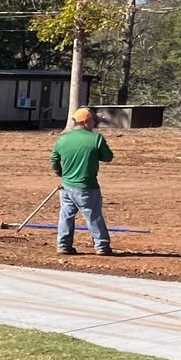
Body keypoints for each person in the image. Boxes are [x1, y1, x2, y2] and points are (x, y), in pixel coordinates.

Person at [50, 106, 115, 257]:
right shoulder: (96, 138)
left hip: (67, 186)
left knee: (66, 215)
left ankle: (63, 246)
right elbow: (108, 157)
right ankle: (102, 246)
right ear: (86, 121)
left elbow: (54, 159)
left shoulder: (63, 139)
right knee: (93, 215)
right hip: (87, 187)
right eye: (93, 120)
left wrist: (61, 174)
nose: (94, 123)